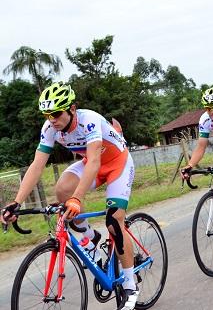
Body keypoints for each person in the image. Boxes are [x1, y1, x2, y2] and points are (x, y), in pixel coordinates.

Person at [0, 82, 139, 310]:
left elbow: (94, 161)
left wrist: (78, 198)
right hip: (91, 163)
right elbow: (37, 165)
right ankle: (90, 237)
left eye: (56, 113)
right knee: (62, 190)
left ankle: (130, 285)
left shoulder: (89, 119)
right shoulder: (49, 129)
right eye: (47, 115)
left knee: (114, 222)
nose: (52, 119)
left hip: (117, 164)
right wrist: (16, 202)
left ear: (72, 109)